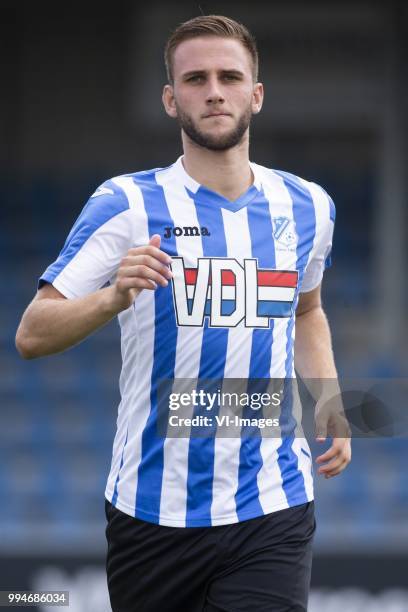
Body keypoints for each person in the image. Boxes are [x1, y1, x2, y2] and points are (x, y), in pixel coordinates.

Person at [15, 14, 351, 612]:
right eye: (195, 79)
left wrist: (327, 400)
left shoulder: (308, 207)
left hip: (272, 504)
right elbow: (32, 334)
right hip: (152, 512)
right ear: (171, 100)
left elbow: (308, 311)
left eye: (230, 76)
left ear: (257, 94)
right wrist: (111, 297)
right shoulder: (125, 203)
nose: (214, 91)